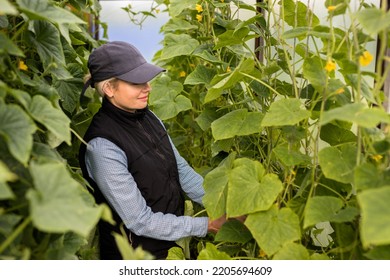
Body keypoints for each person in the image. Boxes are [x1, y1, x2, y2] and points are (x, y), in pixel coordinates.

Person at [78, 41, 227, 260]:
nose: (147, 87)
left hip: (172, 243)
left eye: (146, 79)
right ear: (109, 88)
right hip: (137, 255)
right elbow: (139, 220)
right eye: (136, 82)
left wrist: (221, 204)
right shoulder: (102, 146)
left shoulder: (148, 116)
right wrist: (206, 225)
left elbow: (181, 171)